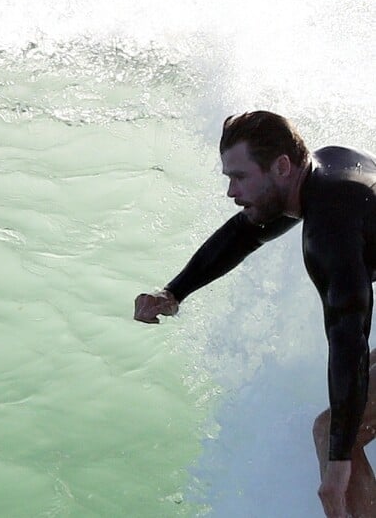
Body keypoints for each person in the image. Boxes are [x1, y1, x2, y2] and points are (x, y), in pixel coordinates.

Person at [134, 111, 376, 518]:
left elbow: (348, 338)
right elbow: (243, 233)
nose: (231, 191)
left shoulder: (329, 231)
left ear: (282, 166)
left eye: (240, 177)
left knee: (333, 432)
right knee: (344, 421)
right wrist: (174, 292)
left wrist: (337, 470)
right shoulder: (329, 168)